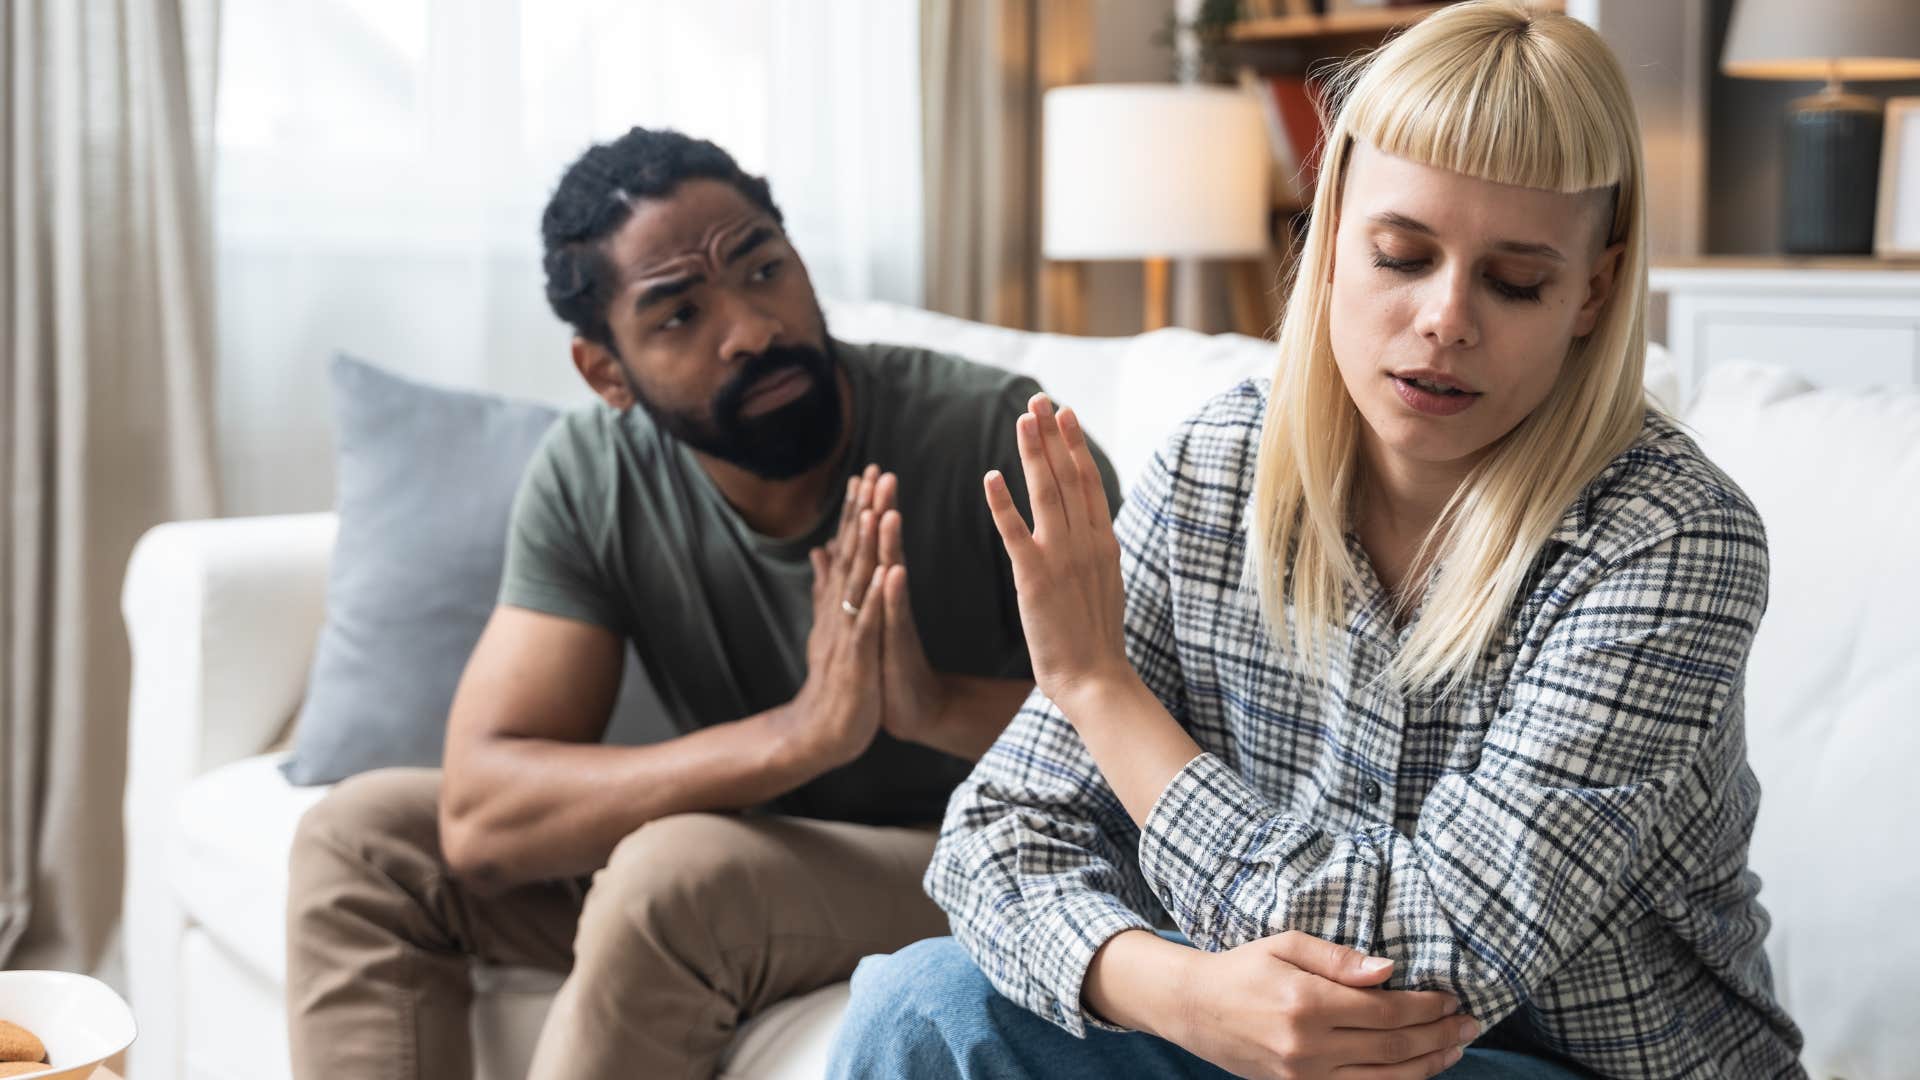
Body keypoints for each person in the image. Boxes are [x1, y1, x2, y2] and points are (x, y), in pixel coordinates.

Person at [830, 3, 1806, 1078]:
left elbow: (1429, 959)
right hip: (1264, 1039)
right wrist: (1177, 991)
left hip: (1576, 1069)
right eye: (1402, 254)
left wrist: (1106, 694)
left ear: (1595, 292)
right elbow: (999, 837)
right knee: (923, 1003)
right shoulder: (1219, 468)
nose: (1445, 319)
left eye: (1515, 280)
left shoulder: (1670, 542)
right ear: (1330, 229)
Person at [283, 127, 1120, 1080]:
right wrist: (799, 736)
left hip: (980, 852)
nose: (753, 329)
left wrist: (930, 706)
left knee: (674, 874)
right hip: (766, 848)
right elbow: (484, 815)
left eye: (764, 269)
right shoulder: (596, 476)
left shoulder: (999, 437)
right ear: (606, 373)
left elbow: (1178, 738)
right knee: (366, 842)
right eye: (679, 316)